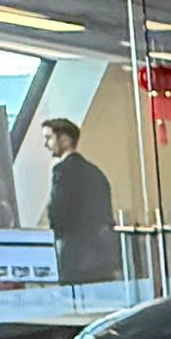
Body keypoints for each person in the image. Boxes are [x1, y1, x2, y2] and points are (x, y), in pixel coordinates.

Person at [41, 117, 120, 280]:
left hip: (75, 255)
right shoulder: (95, 172)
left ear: (64, 139)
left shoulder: (63, 171)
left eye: (49, 138)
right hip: (102, 255)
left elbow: (57, 212)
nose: (46, 145)